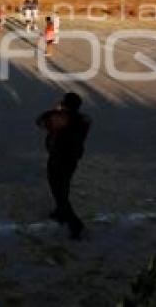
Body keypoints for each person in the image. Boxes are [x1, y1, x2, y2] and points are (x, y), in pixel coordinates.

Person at [36, 92, 91, 240]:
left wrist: (56, 110)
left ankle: (74, 223)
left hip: (58, 158)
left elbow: (40, 121)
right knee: (63, 185)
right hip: (71, 159)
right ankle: (60, 212)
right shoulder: (83, 120)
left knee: (57, 188)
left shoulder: (61, 118)